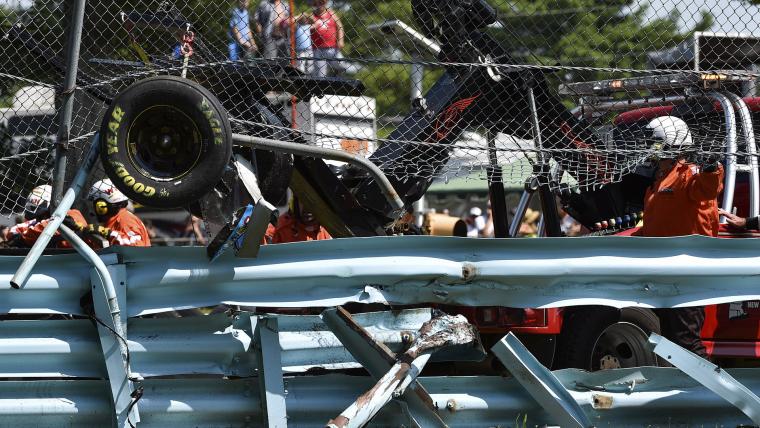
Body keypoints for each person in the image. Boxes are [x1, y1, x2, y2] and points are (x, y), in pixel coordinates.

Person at [636, 116, 723, 359]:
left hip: (687, 272)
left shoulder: (688, 174)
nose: (647, 149)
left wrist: (711, 166)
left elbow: (709, 187)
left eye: (652, 143)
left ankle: (704, 394)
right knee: (665, 341)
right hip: (662, 271)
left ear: (670, 144)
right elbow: (655, 227)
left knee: (686, 341)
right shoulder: (658, 181)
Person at [2, 185, 88, 248]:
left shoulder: (73, 214)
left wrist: (22, 238)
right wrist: (12, 235)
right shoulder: (38, 220)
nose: (40, 218)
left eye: (41, 214)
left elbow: (47, 227)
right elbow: (14, 230)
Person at [77, 179, 151, 247]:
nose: (91, 211)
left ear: (102, 206)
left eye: (95, 205)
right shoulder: (112, 222)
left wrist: (107, 233)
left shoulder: (125, 219)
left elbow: (138, 246)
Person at [298, 0, 344, 77]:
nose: (318, 5)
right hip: (317, 49)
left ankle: (336, 75)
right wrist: (309, 20)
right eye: (315, 3)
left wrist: (341, 40)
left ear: (325, 3)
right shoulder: (312, 16)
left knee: (342, 65)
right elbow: (304, 25)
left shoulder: (331, 14)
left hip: (332, 47)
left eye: (321, 2)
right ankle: (324, 86)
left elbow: (340, 26)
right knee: (320, 74)